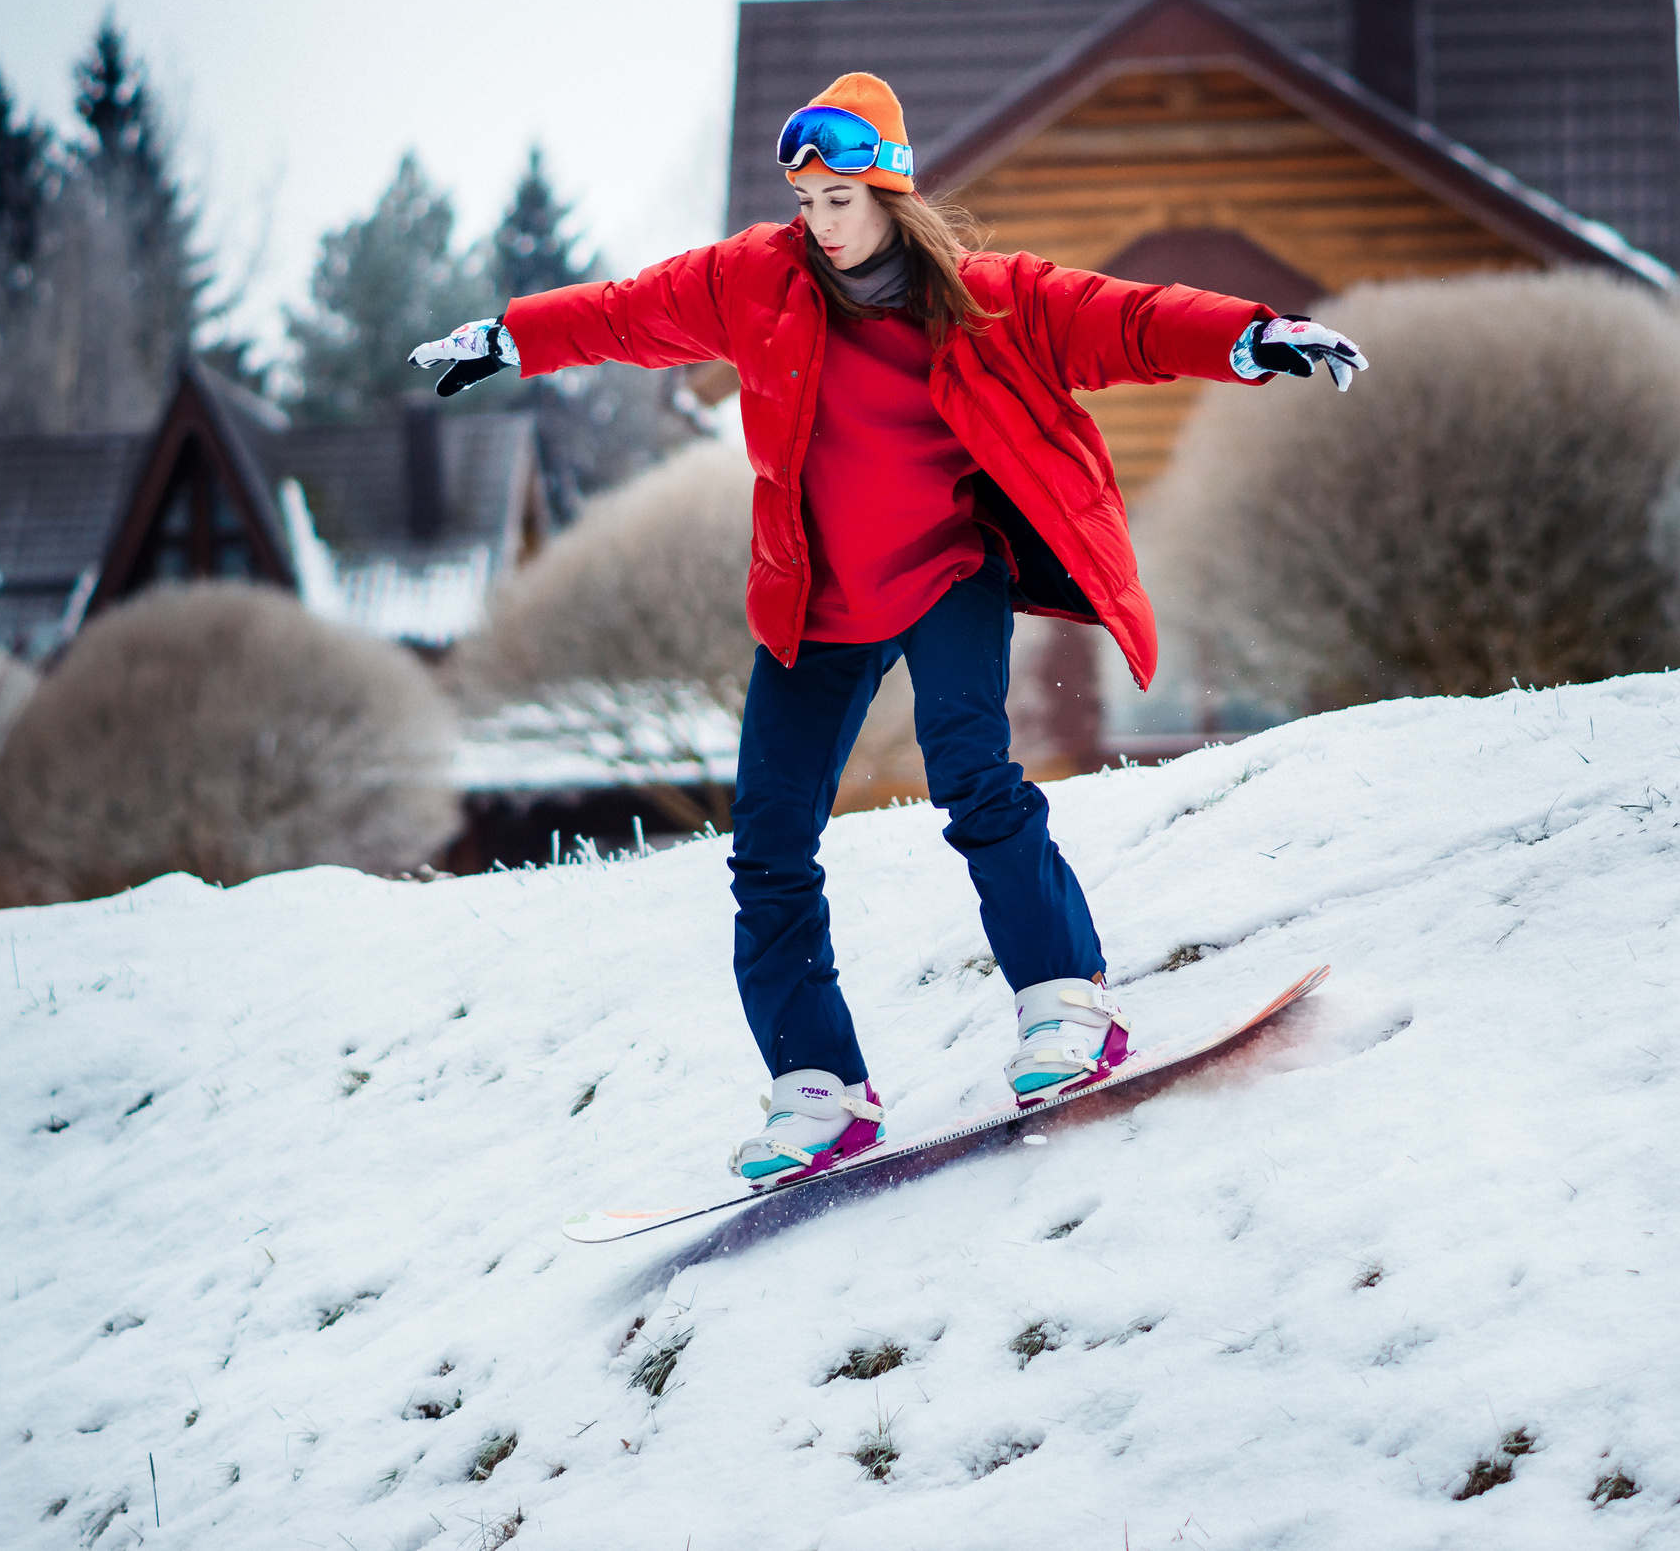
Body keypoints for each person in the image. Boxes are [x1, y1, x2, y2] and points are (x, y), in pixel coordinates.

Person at [410, 73, 1367, 1189]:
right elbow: (630, 311)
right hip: (810, 598)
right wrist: (509, 339)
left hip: (945, 572)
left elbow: (1131, 319)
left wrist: (1257, 338)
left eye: (838, 201)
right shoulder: (752, 280)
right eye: (804, 203)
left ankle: (1066, 1005)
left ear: (889, 195)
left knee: (974, 776)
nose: (816, 227)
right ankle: (817, 1087)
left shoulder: (988, 297)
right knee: (768, 842)